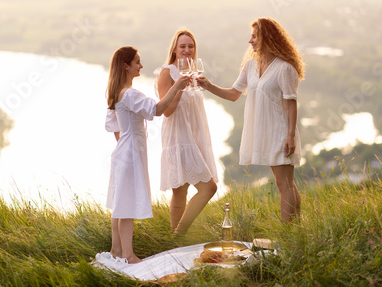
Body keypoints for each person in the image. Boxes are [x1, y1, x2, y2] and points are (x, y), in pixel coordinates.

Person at [197, 17, 305, 223]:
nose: (250, 41)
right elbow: (233, 94)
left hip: (281, 132)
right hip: (265, 132)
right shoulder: (251, 65)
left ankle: (288, 233)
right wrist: (208, 86)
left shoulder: (285, 68)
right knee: (285, 184)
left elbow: (292, 103)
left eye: (255, 36)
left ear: (268, 38)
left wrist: (290, 135)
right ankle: (296, 230)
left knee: (285, 184)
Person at [104, 46, 190, 263]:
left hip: (122, 151)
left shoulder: (115, 92)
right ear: (126, 66)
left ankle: (116, 250)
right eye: (137, 62)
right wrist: (178, 85)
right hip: (130, 152)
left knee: (119, 202)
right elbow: (158, 109)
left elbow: (114, 127)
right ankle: (129, 255)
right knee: (127, 204)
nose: (141, 66)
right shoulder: (130, 94)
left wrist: (126, 144)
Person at [155, 29, 218, 235]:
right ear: (174, 48)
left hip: (194, 136)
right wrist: (179, 87)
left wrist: (203, 84)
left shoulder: (195, 72)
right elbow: (167, 111)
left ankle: (175, 239)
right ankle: (179, 233)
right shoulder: (167, 73)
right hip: (178, 136)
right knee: (199, 188)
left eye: (190, 46)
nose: (187, 50)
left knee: (185, 189)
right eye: (182, 46)